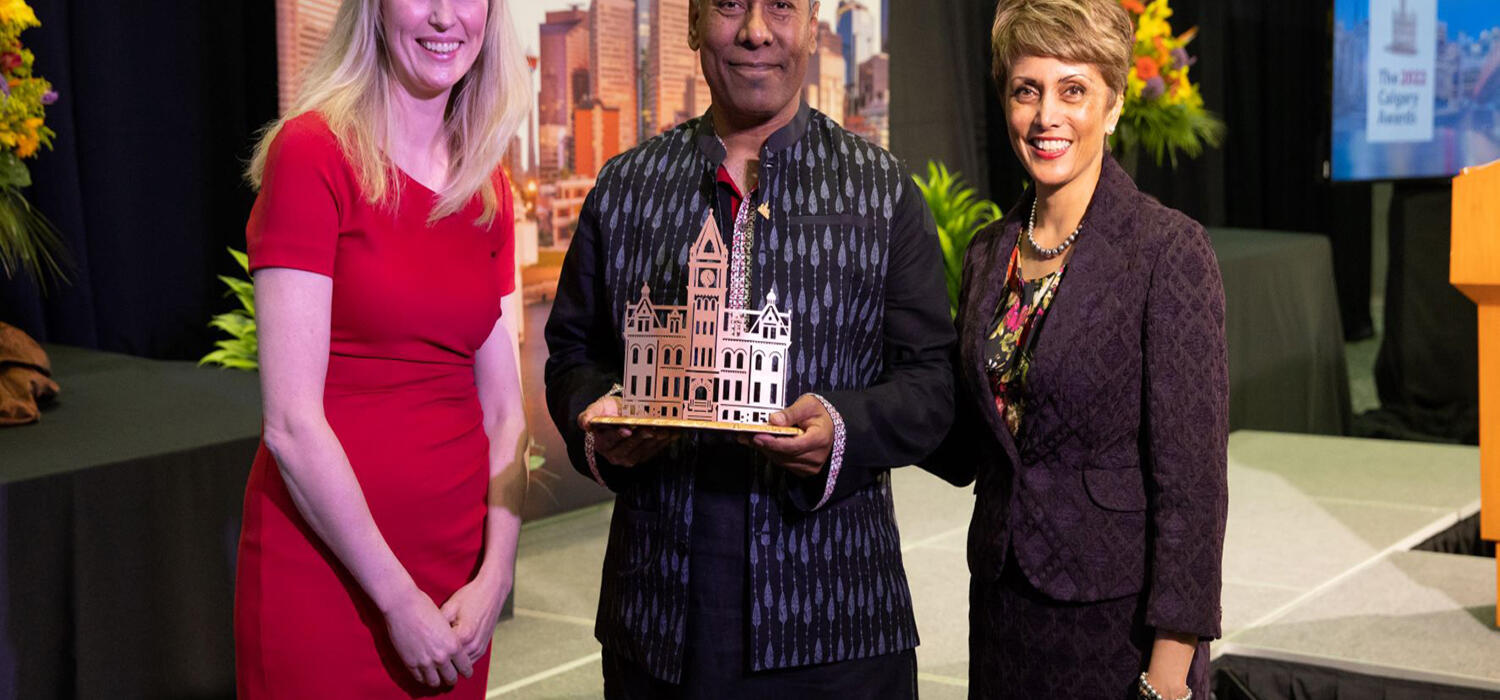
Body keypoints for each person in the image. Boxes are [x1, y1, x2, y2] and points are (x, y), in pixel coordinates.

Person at [543, 0, 955, 697]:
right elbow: (571, 355)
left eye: (782, 8)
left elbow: (933, 382)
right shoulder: (624, 189)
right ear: (695, 27)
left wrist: (844, 426)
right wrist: (597, 416)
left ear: (813, 28)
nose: (757, 30)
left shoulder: (880, 190)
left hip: (837, 622)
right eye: (731, 6)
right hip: (661, 618)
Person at [924, 0, 1229, 698]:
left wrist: (1169, 676)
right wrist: (867, 406)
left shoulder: (1168, 251)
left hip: (1115, 631)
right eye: (1026, 89)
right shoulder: (988, 252)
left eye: (1073, 90)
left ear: (1114, 106)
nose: (1045, 116)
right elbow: (973, 442)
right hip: (1002, 616)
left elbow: (1194, 489)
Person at [234, 0, 531, 696]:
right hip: (328, 582)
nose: (443, 17)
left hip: (459, 596)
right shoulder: (311, 153)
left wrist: (497, 576)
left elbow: (507, 415)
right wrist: (397, 602)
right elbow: (291, 425)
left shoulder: (488, 186)